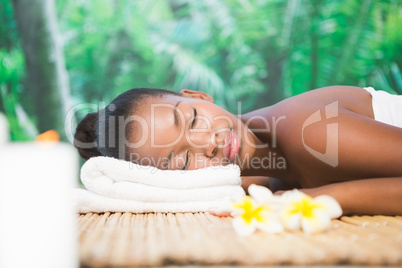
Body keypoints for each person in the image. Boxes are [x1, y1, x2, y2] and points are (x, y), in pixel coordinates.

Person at [74, 86, 402, 216]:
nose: (208, 143)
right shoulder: (258, 175)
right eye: (184, 160)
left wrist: (304, 203)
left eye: (192, 120)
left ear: (200, 97)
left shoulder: (308, 132)